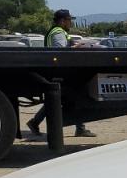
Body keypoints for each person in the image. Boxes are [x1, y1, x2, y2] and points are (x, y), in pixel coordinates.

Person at [25, 9, 96, 139]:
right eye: (69, 20)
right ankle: (80, 128)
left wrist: (74, 44)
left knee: (57, 100)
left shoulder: (59, 31)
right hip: (61, 72)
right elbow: (61, 52)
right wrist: (76, 48)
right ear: (63, 21)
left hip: (57, 72)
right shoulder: (58, 32)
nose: (71, 23)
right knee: (76, 97)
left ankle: (35, 122)